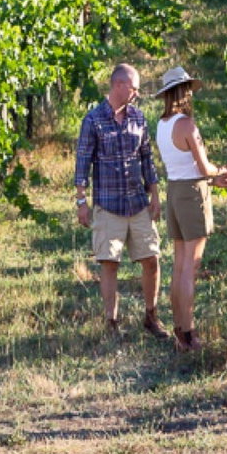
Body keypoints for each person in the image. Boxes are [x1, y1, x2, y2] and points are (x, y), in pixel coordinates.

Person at [74, 63, 169, 339]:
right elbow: (82, 164)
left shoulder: (138, 118)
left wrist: (155, 194)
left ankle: (151, 317)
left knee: (152, 258)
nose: (137, 93)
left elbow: (147, 159)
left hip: (137, 202)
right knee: (109, 262)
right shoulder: (93, 120)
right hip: (108, 204)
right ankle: (111, 321)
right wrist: (81, 202)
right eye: (134, 88)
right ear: (118, 85)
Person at [153, 66, 227, 351]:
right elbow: (203, 167)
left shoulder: (162, 125)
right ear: (183, 92)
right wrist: (223, 171)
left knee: (179, 264)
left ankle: (179, 328)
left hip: (174, 190)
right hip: (192, 193)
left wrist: (213, 177)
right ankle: (189, 332)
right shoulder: (187, 125)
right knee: (191, 265)